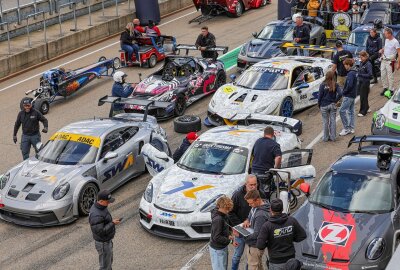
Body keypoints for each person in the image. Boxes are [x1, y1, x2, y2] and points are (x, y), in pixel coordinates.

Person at [256, 199, 307, 270]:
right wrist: (291, 237)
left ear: (270, 209)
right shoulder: (292, 220)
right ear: (282, 209)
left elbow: (260, 245)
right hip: (291, 260)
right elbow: (302, 235)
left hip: (275, 261)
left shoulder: (267, 226)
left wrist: (269, 243)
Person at [229, 175, 263, 270]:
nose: (253, 187)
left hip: (253, 231)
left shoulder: (260, 193)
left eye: (255, 184)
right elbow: (230, 212)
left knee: (251, 258)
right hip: (240, 231)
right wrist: (238, 226)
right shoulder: (237, 195)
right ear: (245, 184)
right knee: (237, 255)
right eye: (251, 185)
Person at [89, 190, 121, 270]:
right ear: (101, 201)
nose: (109, 203)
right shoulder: (96, 215)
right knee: (105, 267)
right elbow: (100, 232)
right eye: (107, 202)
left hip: (106, 241)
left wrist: (110, 222)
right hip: (103, 244)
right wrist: (112, 223)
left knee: (108, 263)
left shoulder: (101, 207)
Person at [243, 190, 270, 270]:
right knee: (258, 265)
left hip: (255, 245)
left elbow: (256, 234)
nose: (249, 205)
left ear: (257, 200)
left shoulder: (260, 215)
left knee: (253, 266)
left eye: (251, 203)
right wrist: (247, 220)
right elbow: (250, 214)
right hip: (255, 243)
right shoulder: (256, 207)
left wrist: (243, 235)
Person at [251, 126, 282, 195]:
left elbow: (253, 154)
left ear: (264, 134)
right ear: (273, 134)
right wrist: (276, 168)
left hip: (254, 172)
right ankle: (266, 204)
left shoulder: (257, 141)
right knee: (265, 194)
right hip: (264, 173)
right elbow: (278, 157)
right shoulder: (274, 144)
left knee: (255, 192)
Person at [210, 196, 235, 270]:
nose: (228, 211)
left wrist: (229, 234)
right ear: (221, 207)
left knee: (223, 267)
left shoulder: (223, 215)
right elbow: (216, 237)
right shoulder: (218, 219)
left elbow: (223, 229)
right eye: (226, 209)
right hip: (218, 249)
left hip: (221, 247)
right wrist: (230, 241)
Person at [318, 70, 342, 142]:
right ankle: (333, 137)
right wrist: (335, 101)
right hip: (332, 105)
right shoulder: (335, 84)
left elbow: (320, 96)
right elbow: (340, 94)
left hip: (324, 105)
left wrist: (319, 104)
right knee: (333, 121)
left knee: (325, 122)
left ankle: (325, 138)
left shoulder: (322, 85)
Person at [379, 27, 400, 97]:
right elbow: (386, 47)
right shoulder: (386, 40)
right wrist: (382, 50)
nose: (385, 35)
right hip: (383, 60)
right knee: (383, 75)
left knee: (390, 76)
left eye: (385, 34)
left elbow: (399, 53)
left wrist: (398, 64)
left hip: (391, 61)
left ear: (390, 34)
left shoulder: (395, 42)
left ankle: (391, 90)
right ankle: (385, 88)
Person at [339, 58, 357, 136]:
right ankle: (351, 128)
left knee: (341, 111)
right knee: (351, 111)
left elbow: (349, 85)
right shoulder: (355, 72)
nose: (344, 67)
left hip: (349, 95)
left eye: (345, 65)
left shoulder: (350, 74)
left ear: (349, 65)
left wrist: (344, 92)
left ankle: (346, 129)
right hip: (353, 95)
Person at [357, 51, 373, 117]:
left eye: (362, 57)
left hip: (365, 82)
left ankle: (363, 111)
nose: (361, 58)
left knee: (363, 97)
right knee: (364, 96)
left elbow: (370, 74)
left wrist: (360, 74)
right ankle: (367, 107)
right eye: (360, 57)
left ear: (365, 57)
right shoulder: (362, 63)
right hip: (361, 82)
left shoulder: (368, 64)